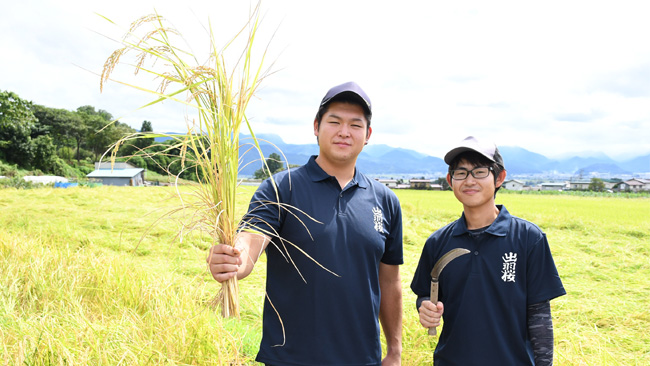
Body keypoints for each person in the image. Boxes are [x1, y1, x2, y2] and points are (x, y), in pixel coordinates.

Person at [208, 81, 403, 366]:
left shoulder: (385, 201)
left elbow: (390, 280)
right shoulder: (280, 189)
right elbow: (251, 239)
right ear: (316, 126)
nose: (344, 132)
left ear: (368, 134)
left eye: (355, 125)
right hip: (291, 358)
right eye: (334, 121)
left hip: (363, 358)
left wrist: (394, 351)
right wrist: (232, 259)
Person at [410, 136, 566, 366]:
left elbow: (539, 316)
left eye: (480, 171)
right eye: (460, 173)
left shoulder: (527, 238)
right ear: (450, 180)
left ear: (499, 178)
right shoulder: (438, 242)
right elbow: (425, 294)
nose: (469, 180)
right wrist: (425, 308)